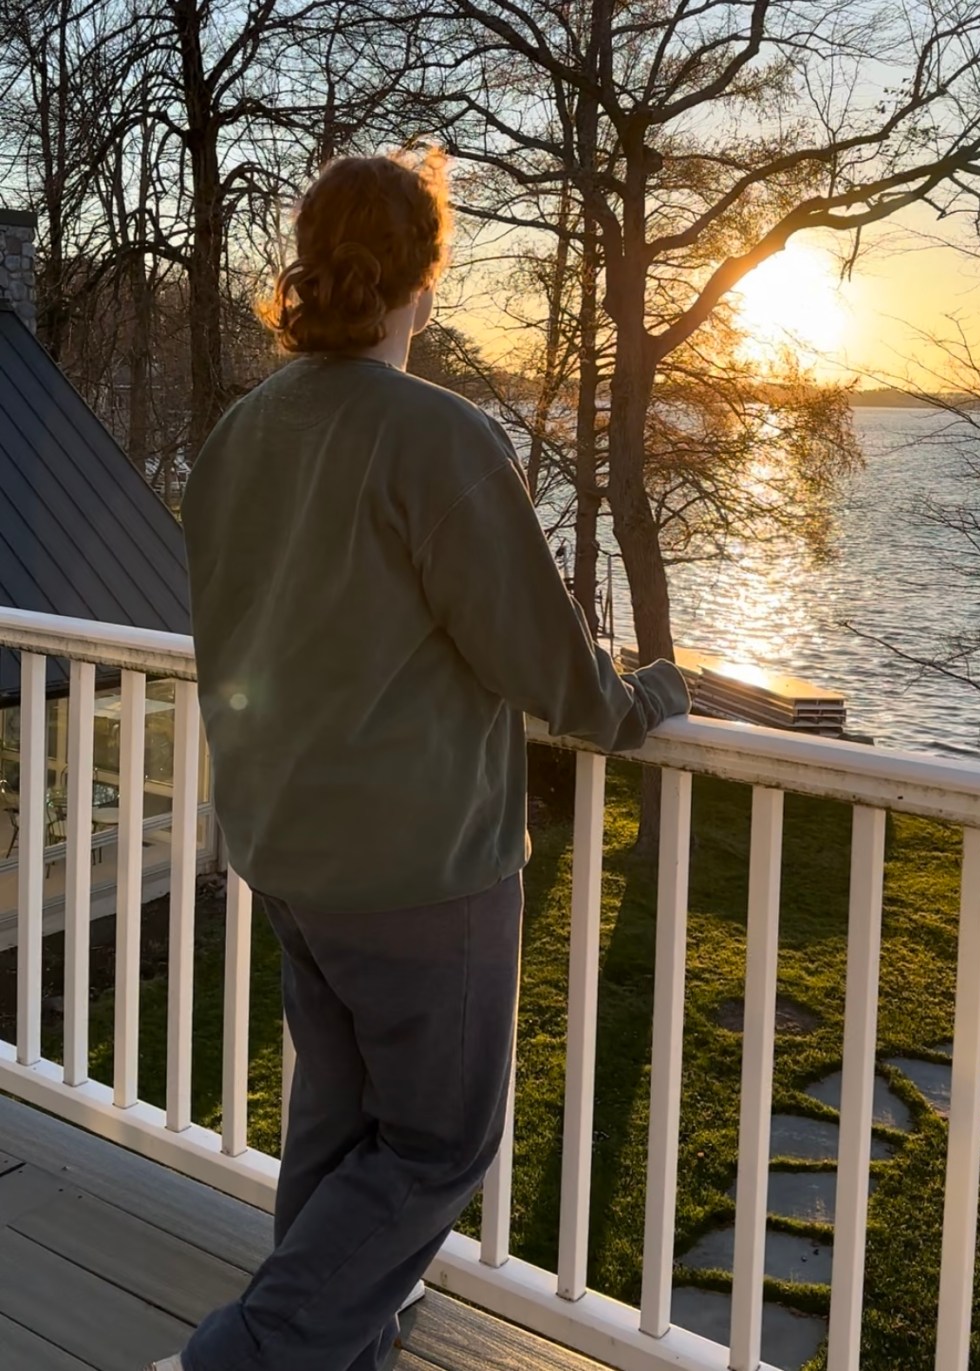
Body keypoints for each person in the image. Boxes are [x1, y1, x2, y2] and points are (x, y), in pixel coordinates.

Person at [150, 148, 690, 1371]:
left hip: (282, 844)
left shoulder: (240, 433)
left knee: (338, 1129)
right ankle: (248, 1355)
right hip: (415, 868)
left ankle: (337, 1338)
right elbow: (551, 672)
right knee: (437, 1143)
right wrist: (652, 692)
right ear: (424, 279)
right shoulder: (435, 436)